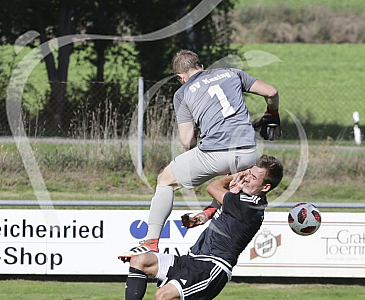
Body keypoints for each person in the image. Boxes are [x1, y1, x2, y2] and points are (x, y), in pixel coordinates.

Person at [99, 155, 284, 300]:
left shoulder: (251, 207)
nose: (248, 178)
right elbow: (219, 204)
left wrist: (235, 176)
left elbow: (213, 187)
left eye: (253, 176)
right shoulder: (241, 196)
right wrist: (204, 215)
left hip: (213, 268)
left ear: (266, 186)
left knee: (163, 298)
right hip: (193, 259)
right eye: (248, 172)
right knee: (140, 260)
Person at [119, 49, 281, 261]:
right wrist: (272, 114)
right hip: (249, 153)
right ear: (201, 66)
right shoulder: (232, 73)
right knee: (231, 184)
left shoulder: (183, 92)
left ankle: (151, 241)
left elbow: (187, 141)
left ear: (180, 77)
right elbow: (271, 92)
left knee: (166, 180)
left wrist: (195, 140)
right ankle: (208, 212)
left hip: (216, 152)